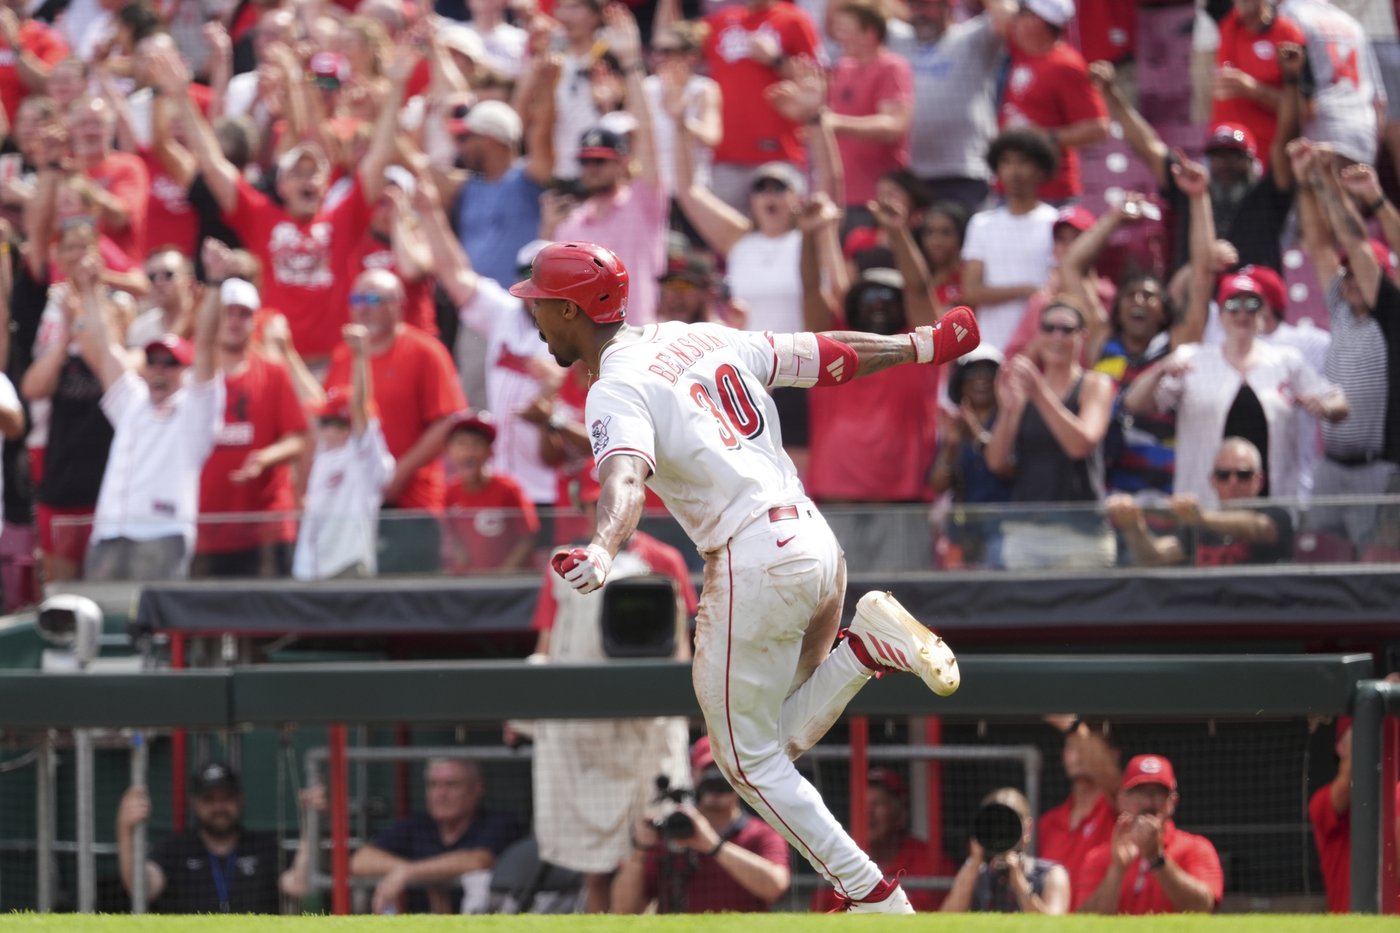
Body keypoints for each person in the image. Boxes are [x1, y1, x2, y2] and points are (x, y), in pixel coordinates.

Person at [509, 239, 978, 913]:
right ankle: (864, 650)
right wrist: (920, 344)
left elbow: (624, 479)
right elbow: (825, 355)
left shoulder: (615, 386)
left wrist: (605, 547)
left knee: (746, 763)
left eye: (539, 304)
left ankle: (873, 896)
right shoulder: (696, 335)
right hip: (815, 542)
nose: (533, 317)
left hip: (752, 558)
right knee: (772, 741)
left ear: (568, 311)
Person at [523, 478, 697, 912]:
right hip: (586, 731)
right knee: (594, 868)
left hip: (647, 728)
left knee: (649, 854)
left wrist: (674, 700)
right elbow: (548, 643)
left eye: (608, 501)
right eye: (591, 503)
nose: (599, 511)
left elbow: (681, 644)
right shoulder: (562, 561)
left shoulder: (665, 559)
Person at [1123, 269, 1348, 506]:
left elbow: (1338, 402)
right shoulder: (1193, 358)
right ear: (1220, 314)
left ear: (1263, 313)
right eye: (1233, 305)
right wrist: (1159, 371)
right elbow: (1134, 404)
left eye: (1252, 305)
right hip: (1204, 500)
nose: (1242, 314)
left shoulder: (1286, 361)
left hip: (1272, 500)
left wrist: (1326, 407)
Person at [81, 248, 223, 582]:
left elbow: (206, 345)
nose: (160, 369)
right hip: (109, 531)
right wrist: (89, 289)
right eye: (154, 361)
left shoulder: (195, 409)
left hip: (162, 535)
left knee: (150, 616)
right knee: (101, 614)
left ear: (185, 370)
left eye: (170, 363)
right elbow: (105, 344)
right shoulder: (133, 400)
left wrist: (216, 284)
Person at [322, 269, 467, 572]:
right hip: (354, 505)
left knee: (410, 590)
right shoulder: (343, 355)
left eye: (373, 299)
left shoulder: (425, 351)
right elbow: (330, 419)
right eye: (357, 299)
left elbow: (447, 420)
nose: (363, 308)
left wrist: (398, 474)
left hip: (411, 502)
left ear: (398, 304)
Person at [551, 6, 667, 328]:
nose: (592, 167)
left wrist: (631, 64)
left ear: (623, 161)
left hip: (640, 338)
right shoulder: (571, 223)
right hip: (591, 347)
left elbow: (648, 137)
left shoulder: (642, 202)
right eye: (586, 160)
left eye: (601, 160)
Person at [194, 264, 309, 579]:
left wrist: (265, 458)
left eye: (243, 314)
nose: (233, 321)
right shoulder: (192, 373)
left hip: (266, 523)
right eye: (227, 312)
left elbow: (299, 438)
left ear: (255, 319)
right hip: (206, 525)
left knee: (270, 609)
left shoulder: (273, 372)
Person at [984, 298, 1116, 570]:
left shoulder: (1094, 384)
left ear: (1082, 336)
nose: (1057, 336)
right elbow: (996, 462)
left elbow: (1080, 445)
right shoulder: (1026, 390)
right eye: (1048, 328)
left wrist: (1039, 393)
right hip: (1027, 532)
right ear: (1038, 334)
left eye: (1066, 330)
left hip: (1082, 534)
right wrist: (1008, 410)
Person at [614, 736, 791, 914]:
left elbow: (776, 887)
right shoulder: (672, 832)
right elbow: (623, 910)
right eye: (708, 771)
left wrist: (713, 845)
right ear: (693, 775)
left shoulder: (761, 833)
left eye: (724, 772)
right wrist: (640, 852)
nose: (715, 781)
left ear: (742, 778)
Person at [350, 758, 522, 914]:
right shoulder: (416, 825)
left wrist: (409, 873)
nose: (440, 795)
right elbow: (360, 861)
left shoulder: (497, 823)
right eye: (433, 785)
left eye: (452, 785)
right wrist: (411, 871)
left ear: (477, 788)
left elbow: (479, 860)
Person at [292, 324, 395, 580]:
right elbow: (306, 394)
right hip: (313, 568)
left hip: (347, 567)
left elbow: (359, 405)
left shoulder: (363, 454)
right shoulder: (324, 453)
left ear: (345, 427)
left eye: (327, 422)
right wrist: (286, 353)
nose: (320, 427)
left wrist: (360, 356)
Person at [887, 0, 1011, 212]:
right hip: (915, 174)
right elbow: (858, 12)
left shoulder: (971, 38)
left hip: (966, 171)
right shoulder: (900, 38)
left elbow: (1007, 18)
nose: (919, 13)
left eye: (926, 5)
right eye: (914, 6)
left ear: (948, 7)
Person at [116, 761, 283, 914]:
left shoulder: (264, 847)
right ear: (194, 803)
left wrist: (303, 814)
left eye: (226, 798)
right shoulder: (175, 848)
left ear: (240, 799)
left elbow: (294, 885)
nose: (219, 807)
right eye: (209, 799)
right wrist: (125, 829)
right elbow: (142, 888)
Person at [1110, 437, 1294, 568]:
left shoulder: (1277, 515)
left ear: (1259, 481)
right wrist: (1133, 527)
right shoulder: (1198, 526)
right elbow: (1156, 557)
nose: (1233, 482)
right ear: (1213, 481)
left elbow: (1261, 528)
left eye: (1243, 474)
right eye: (1224, 475)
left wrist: (1202, 517)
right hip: (1204, 609)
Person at [1075, 754, 1224, 915]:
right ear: (1122, 800)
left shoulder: (1196, 848)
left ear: (1172, 801)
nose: (1148, 803)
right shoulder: (1098, 857)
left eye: (1157, 794)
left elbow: (1204, 907)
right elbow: (1086, 920)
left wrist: (1157, 859)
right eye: (1140, 793)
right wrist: (1117, 869)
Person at [959, 129, 1059, 352]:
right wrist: (1024, 290)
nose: (1014, 171)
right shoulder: (981, 224)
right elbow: (971, 291)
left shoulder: (1056, 223)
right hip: (989, 346)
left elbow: (1058, 288)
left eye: (1023, 162)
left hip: (1041, 347)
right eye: (1006, 162)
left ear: (1041, 170)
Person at [999, 0, 1109, 204]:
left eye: (1023, 13)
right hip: (1011, 188)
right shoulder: (1021, 52)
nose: (1015, 19)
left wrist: (1045, 138)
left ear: (1039, 21)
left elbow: (1098, 128)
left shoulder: (1066, 65)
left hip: (1051, 191)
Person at [812, 767, 953, 911]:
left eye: (878, 804)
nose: (868, 812)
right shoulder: (837, 861)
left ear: (901, 815)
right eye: (862, 805)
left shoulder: (931, 862)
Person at [1310, 696, 1400, 913]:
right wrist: (1381, 701)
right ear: (1340, 747)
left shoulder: (1397, 794)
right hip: (1352, 923)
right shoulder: (1323, 802)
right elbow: (1350, 778)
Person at [440, 409, 539, 574]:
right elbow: (456, 539)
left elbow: (528, 537)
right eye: (461, 443)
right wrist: (465, 573)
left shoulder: (508, 488)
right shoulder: (450, 493)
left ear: (490, 451)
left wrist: (503, 575)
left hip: (511, 580)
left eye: (477, 443)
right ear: (449, 451)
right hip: (473, 581)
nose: (469, 451)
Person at [1211, 0, 1306, 170]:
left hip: (1269, 161)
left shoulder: (1287, 34)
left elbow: (1305, 109)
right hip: (1224, 154)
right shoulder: (1228, 20)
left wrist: (1253, 90)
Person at [941, 787, 1069, 914]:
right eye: (993, 826)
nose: (1001, 833)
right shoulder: (976, 874)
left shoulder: (1051, 875)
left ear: (1027, 829)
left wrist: (1019, 884)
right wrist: (974, 862)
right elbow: (947, 919)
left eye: (1009, 826)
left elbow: (1054, 924)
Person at [1038, 718, 1121, 897]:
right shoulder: (1047, 823)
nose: (1079, 754)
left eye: (1085, 747)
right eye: (1071, 747)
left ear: (1113, 755)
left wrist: (1074, 726)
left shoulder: (1117, 809)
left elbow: (1110, 777)